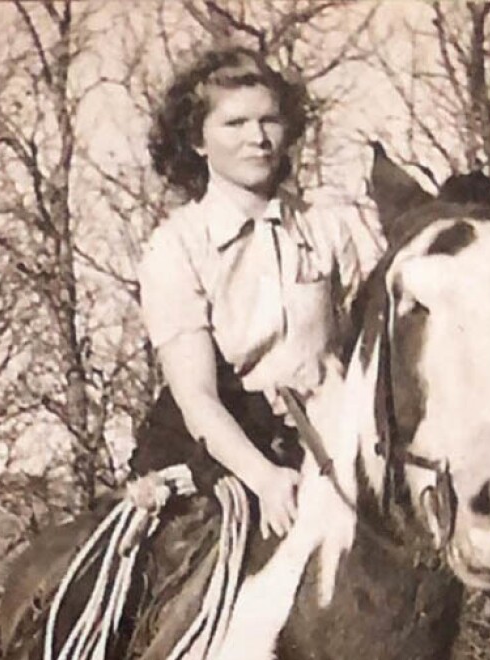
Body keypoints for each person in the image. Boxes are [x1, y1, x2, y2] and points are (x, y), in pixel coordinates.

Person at [130, 46, 361, 541]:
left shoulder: (329, 226)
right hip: (227, 455)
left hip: (336, 444)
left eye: (270, 121)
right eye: (234, 124)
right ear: (196, 140)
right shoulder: (176, 247)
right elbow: (197, 397)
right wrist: (265, 480)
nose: (258, 139)